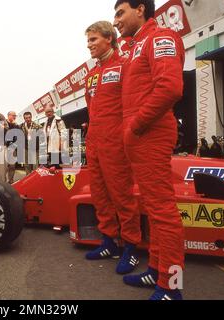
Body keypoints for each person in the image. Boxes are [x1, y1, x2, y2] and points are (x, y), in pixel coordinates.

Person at [114, 0, 185, 300]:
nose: (116, 21)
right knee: (154, 211)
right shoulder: (135, 47)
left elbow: (169, 87)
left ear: (140, 8)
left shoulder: (161, 37)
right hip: (140, 137)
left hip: (150, 134)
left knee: (163, 212)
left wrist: (137, 126)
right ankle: (156, 270)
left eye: (120, 13)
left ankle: (172, 286)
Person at [83, 21, 141, 275]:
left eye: (93, 40)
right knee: (100, 193)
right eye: (88, 41)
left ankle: (131, 247)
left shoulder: (125, 64)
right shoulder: (90, 74)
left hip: (116, 140)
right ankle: (108, 240)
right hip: (94, 139)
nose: (89, 45)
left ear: (109, 38)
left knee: (122, 194)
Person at [6, 111, 20, 184]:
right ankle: (3, 180)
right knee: (4, 166)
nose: (14, 117)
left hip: (13, 148)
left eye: (15, 115)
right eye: (13, 115)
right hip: (3, 147)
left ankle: (10, 181)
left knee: (12, 165)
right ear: (8, 115)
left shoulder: (16, 125)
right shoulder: (4, 123)